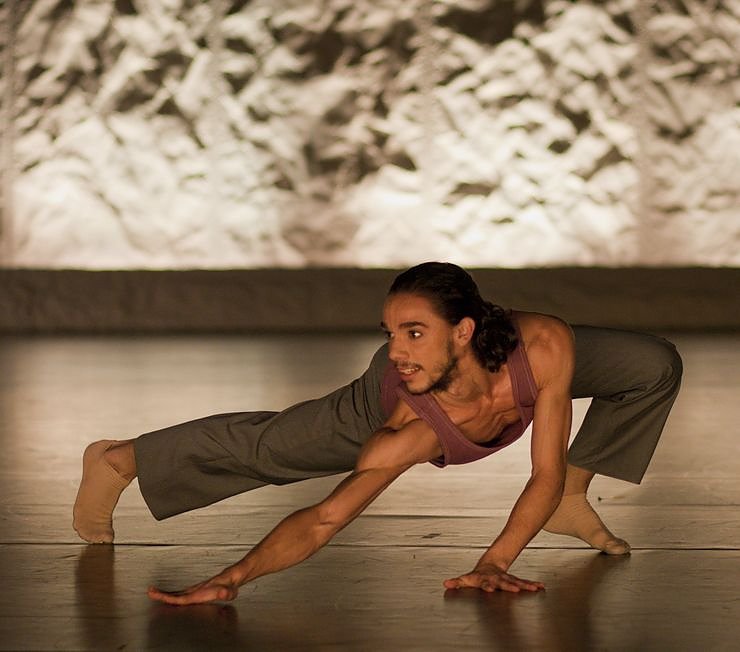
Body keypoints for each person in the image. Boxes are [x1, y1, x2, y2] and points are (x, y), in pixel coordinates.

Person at [72, 262, 682, 605]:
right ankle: (122, 459)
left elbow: (544, 468)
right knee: (272, 449)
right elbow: (325, 518)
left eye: (412, 332)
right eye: (390, 333)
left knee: (650, 365)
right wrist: (231, 578)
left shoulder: (545, 342)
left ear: (465, 329)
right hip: (394, 400)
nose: (396, 348)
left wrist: (495, 561)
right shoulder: (408, 427)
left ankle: (572, 500)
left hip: (485, 369)